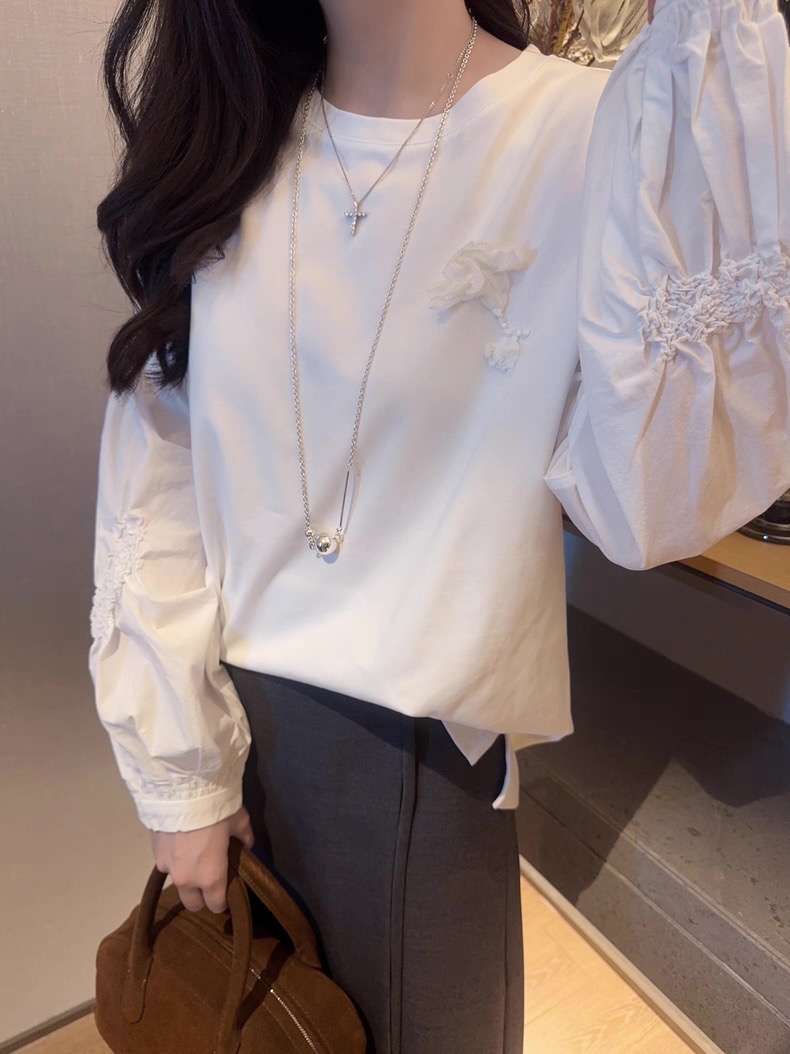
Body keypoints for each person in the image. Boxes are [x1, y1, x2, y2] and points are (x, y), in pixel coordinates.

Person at [87, 0, 790, 1051]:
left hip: (419, 768)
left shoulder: (591, 130)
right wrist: (181, 771)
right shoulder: (234, 137)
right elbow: (160, 475)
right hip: (227, 721)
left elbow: (651, 503)